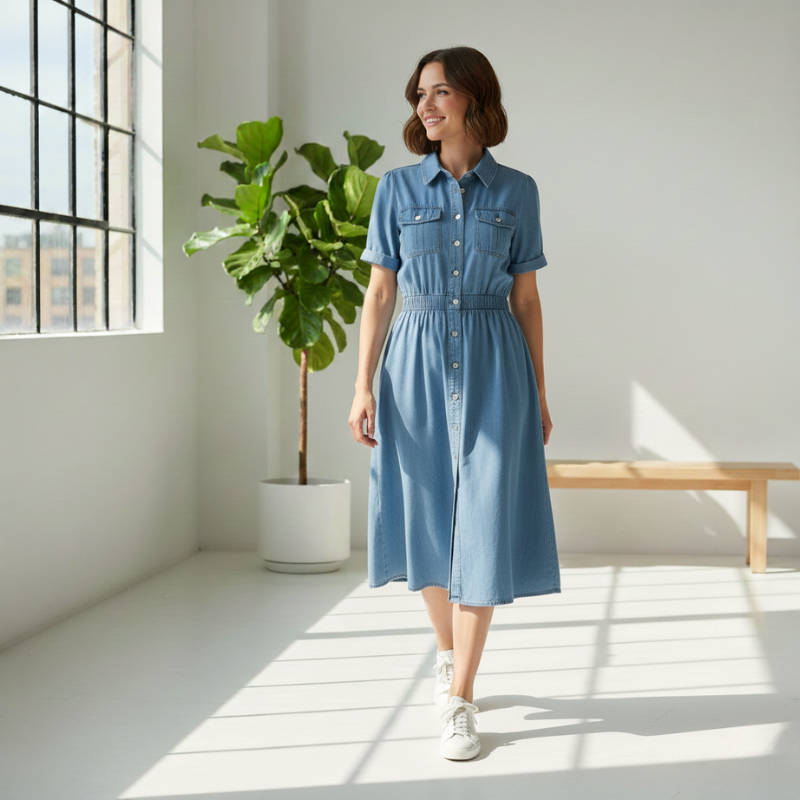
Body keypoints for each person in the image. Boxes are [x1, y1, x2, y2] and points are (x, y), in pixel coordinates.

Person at [348, 46, 560, 761]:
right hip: (411, 360)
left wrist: (538, 386)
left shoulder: (519, 191)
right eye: (418, 95)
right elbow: (379, 293)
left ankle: (461, 697)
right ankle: (448, 652)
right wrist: (360, 385)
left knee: (484, 523)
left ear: (474, 98)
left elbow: (527, 298)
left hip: (496, 358)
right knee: (429, 514)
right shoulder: (395, 190)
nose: (424, 106)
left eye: (439, 92)